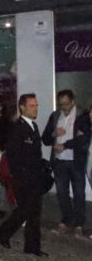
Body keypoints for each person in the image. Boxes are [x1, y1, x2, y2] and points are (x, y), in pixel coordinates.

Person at [0, 93, 48, 256]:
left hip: (35, 176)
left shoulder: (34, 126)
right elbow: (13, 155)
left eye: (36, 105)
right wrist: (20, 176)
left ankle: (32, 246)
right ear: (22, 107)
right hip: (23, 178)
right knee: (25, 210)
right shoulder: (17, 128)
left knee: (33, 212)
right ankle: (4, 232)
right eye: (32, 106)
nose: (35, 108)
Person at [41, 89, 90, 236]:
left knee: (79, 193)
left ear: (73, 101)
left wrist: (65, 145)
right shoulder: (55, 116)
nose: (64, 108)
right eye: (61, 104)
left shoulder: (82, 116)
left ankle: (79, 223)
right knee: (62, 193)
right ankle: (66, 220)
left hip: (76, 161)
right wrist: (54, 133)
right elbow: (45, 139)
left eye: (67, 104)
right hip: (59, 161)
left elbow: (84, 139)